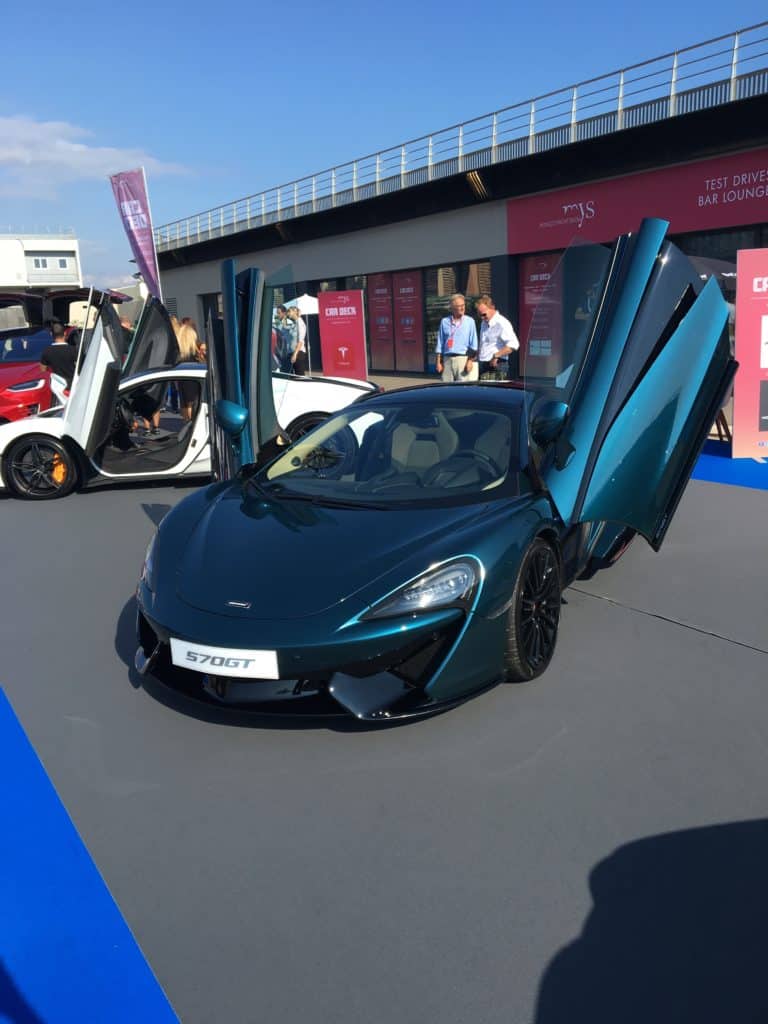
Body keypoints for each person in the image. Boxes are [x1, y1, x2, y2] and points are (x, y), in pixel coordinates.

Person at [475, 295, 520, 380]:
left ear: (492, 307)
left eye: (484, 314)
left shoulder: (502, 322)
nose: (482, 318)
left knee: (496, 392)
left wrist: (496, 355)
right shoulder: (483, 323)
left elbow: (514, 344)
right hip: (483, 364)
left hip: (498, 365)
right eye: (480, 315)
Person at [435, 294, 478, 382]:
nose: (462, 308)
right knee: (446, 390)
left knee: (463, 390)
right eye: (459, 306)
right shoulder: (444, 321)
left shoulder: (470, 321)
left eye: (463, 305)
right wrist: (438, 362)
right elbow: (440, 343)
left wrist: (470, 361)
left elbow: (474, 345)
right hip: (447, 360)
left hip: (463, 359)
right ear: (452, 308)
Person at [176, 323, 203, 421]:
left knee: (185, 402)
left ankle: (187, 422)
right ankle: (193, 423)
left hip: (182, 378)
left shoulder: (179, 354)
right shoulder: (193, 353)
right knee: (192, 402)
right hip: (192, 378)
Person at [39, 322, 76, 388]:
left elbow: (42, 370)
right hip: (73, 385)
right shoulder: (74, 350)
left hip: (57, 386)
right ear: (65, 333)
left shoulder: (47, 351)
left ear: (51, 334)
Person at [288, 306, 309, 376]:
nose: (288, 313)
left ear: (295, 312)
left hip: (298, 353)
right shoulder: (294, 323)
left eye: (289, 311)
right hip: (292, 352)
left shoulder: (300, 323)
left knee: (299, 376)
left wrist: (295, 354)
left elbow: (300, 341)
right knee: (292, 378)